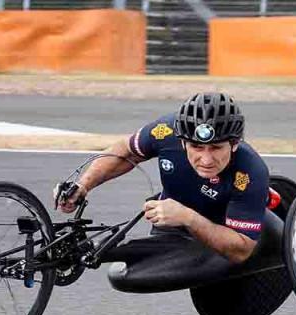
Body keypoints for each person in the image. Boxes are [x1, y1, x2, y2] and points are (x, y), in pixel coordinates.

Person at [56, 92, 270, 267]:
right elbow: (125, 151)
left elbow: (241, 250)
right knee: (124, 271)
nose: (206, 159)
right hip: (172, 224)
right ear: (183, 142)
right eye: (196, 147)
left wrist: (188, 217)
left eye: (216, 148)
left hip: (220, 228)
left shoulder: (250, 172)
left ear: (233, 144)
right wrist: (83, 185)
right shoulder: (165, 131)